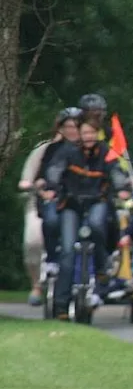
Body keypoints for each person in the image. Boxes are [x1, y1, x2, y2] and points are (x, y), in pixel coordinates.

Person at [44, 116, 132, 319]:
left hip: (96, 201)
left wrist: (122, 188)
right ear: (80, 134)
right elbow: (54, 170)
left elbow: (117, 172)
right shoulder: (68, 151)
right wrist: (51, 185)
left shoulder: (105, 153)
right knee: (67, 251)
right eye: (85, 133)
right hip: (71, 204)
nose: (89, 137)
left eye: (92, 133)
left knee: (97, 225)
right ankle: (61, 306)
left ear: (97, 133)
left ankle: (102, 268)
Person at [17, 108, 81, 305]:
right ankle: (37, 284)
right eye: (67, 126)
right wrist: (34, 185)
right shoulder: (45, 149)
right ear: (59, 127)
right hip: (42, 202)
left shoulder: (87, 149)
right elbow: (26, 178)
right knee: (33, 241)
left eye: (75, 127)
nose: (71, 130)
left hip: (75, 204)